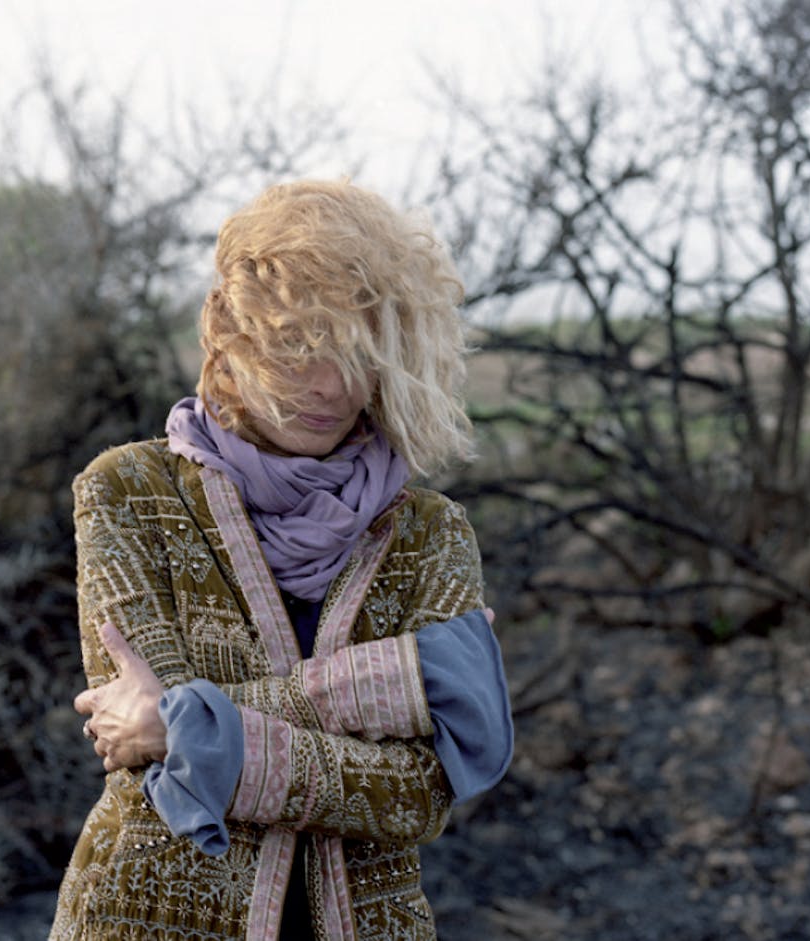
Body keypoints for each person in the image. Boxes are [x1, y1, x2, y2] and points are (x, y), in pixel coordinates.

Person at [49, 179, 513, 941]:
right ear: (232, 336)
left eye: (356, 354)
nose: (329, 385)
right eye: (296, 348)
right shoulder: (128, 491)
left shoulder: (431, 533)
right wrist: (397, 680)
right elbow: (155, 761)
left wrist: (198, 728)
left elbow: (420, 794)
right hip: (144, 917)